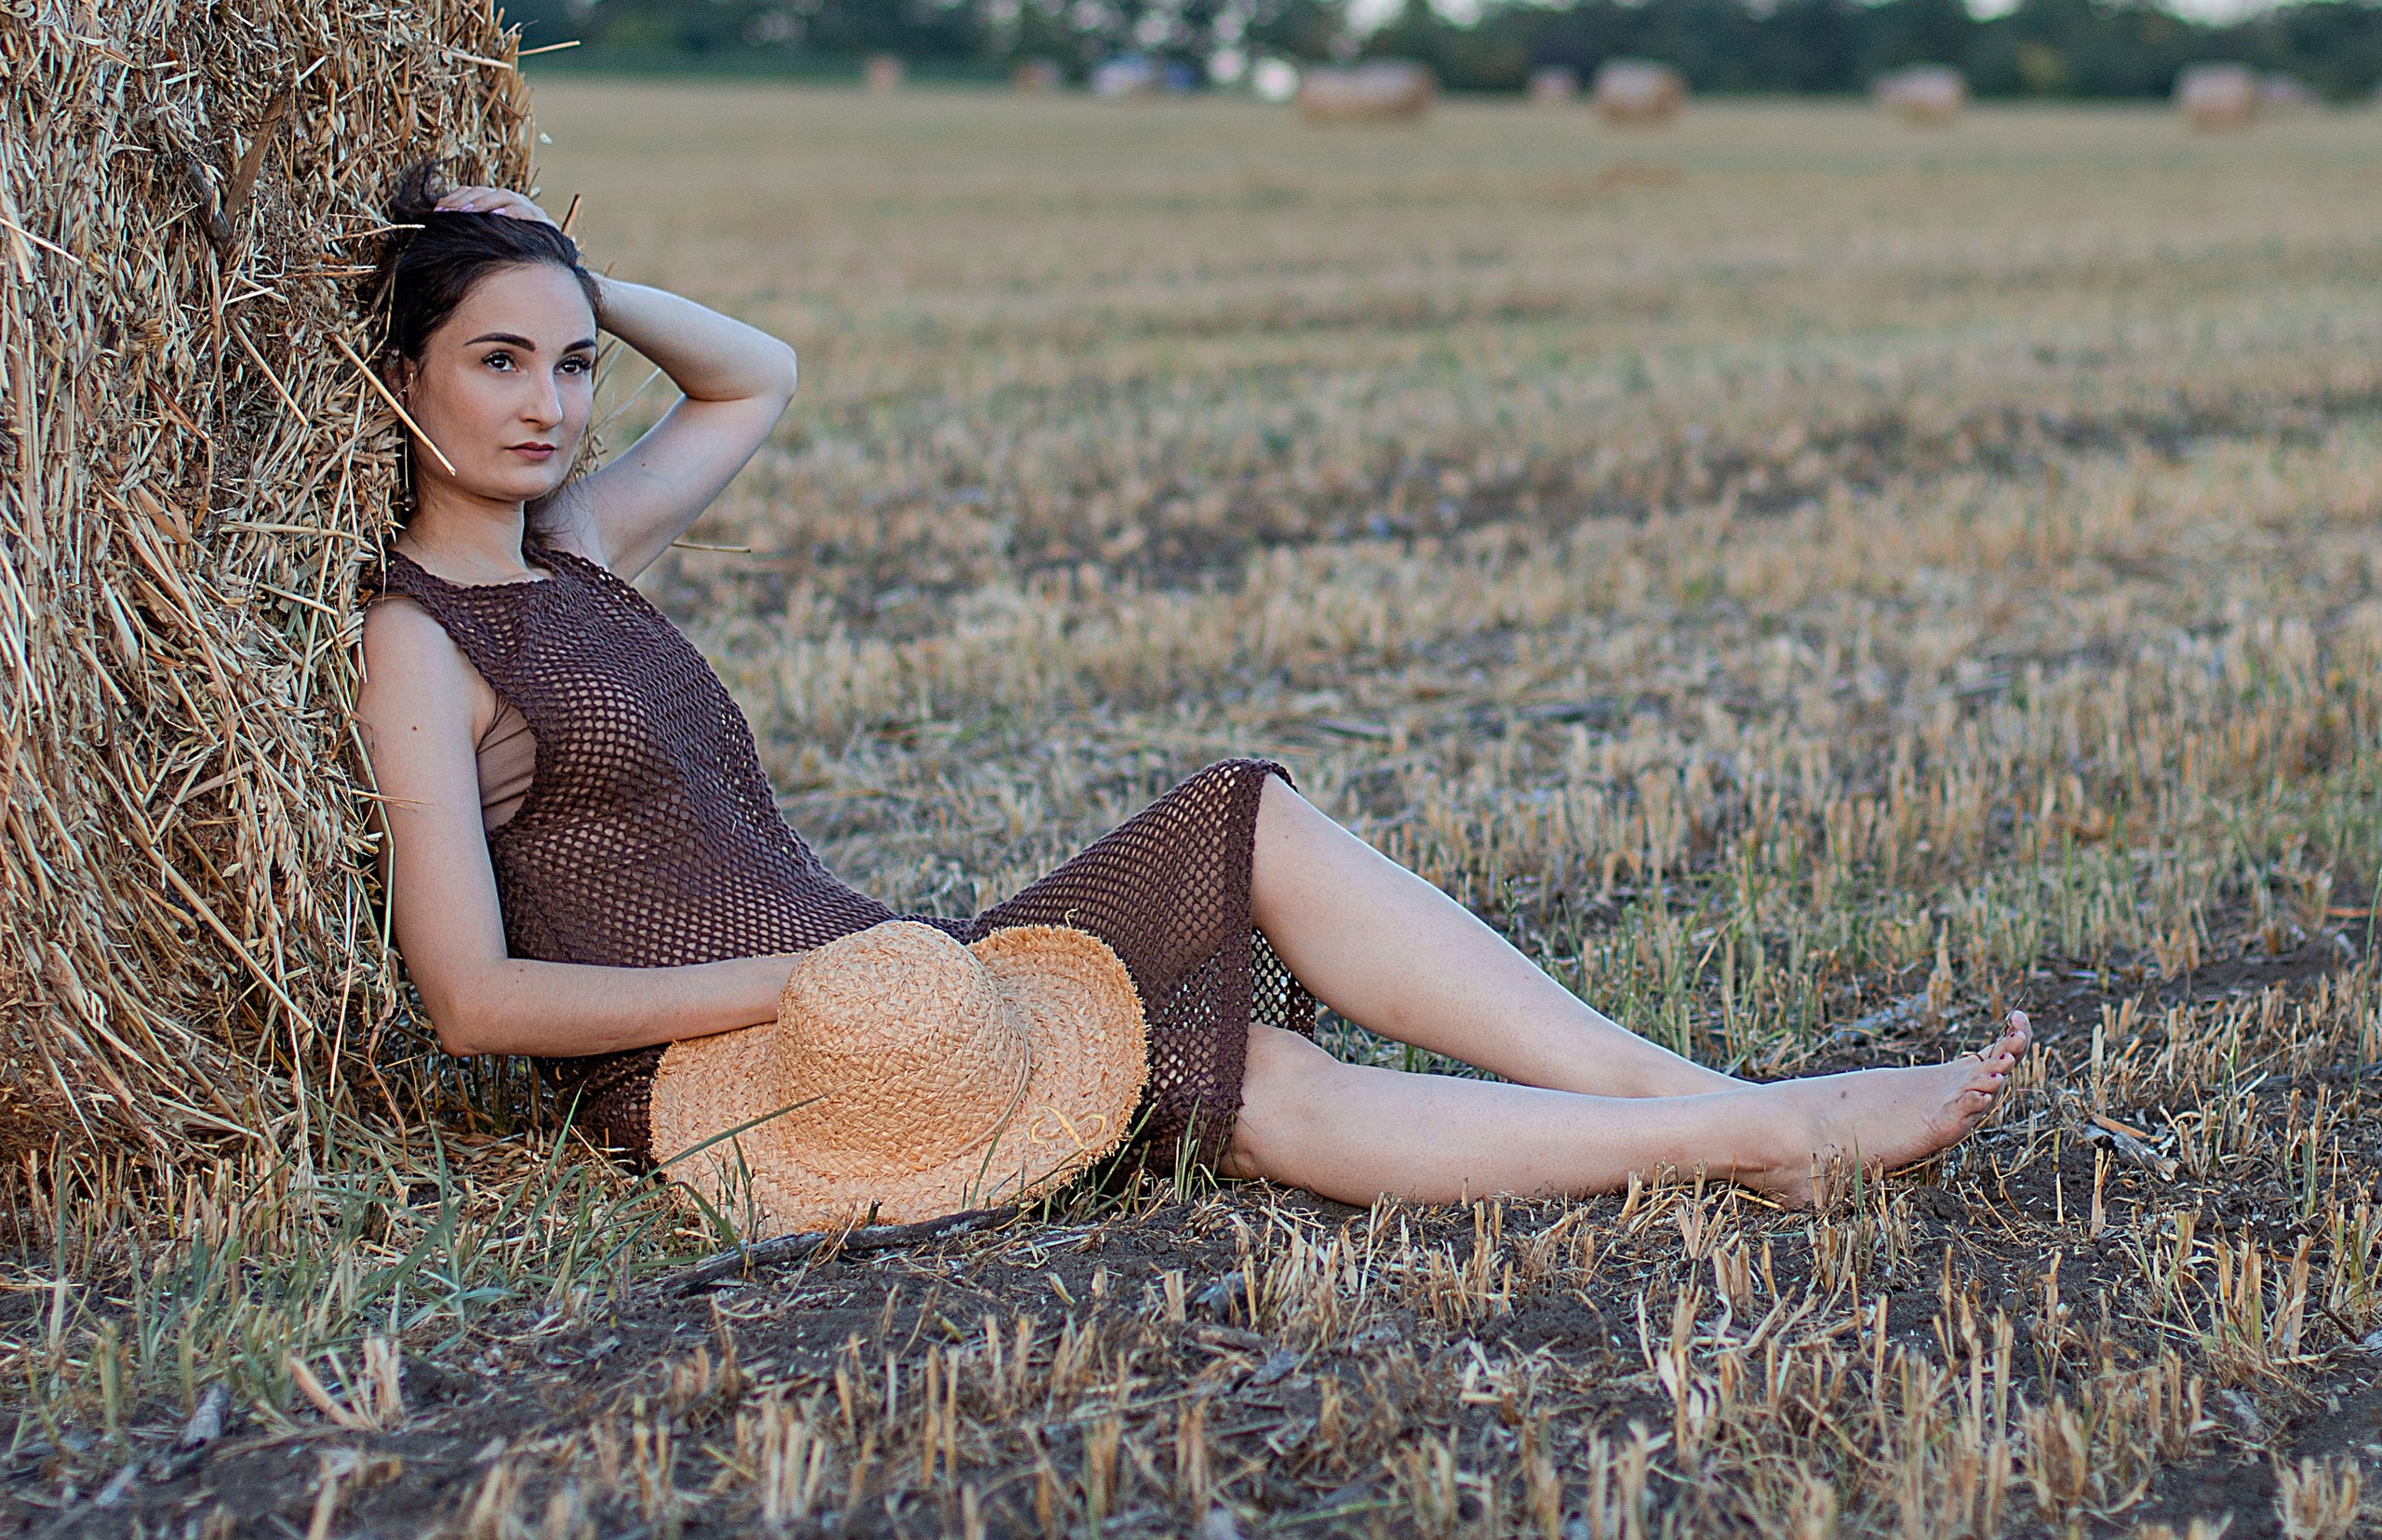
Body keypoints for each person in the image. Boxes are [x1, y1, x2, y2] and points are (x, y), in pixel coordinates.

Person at [356, 175, 2027, 1212]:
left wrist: (543, 260)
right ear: (400, 376)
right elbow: (475, 1005)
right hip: (747, 1063)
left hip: (886, 983)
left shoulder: (574, 549)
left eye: (572, 364)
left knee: (1254, 822)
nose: (555, 405)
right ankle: (1751, 1136)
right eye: (498, 362)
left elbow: (756, 377)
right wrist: (800, 981)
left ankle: (1692, 1098)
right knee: (1252, 1090)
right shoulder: (421, 640)